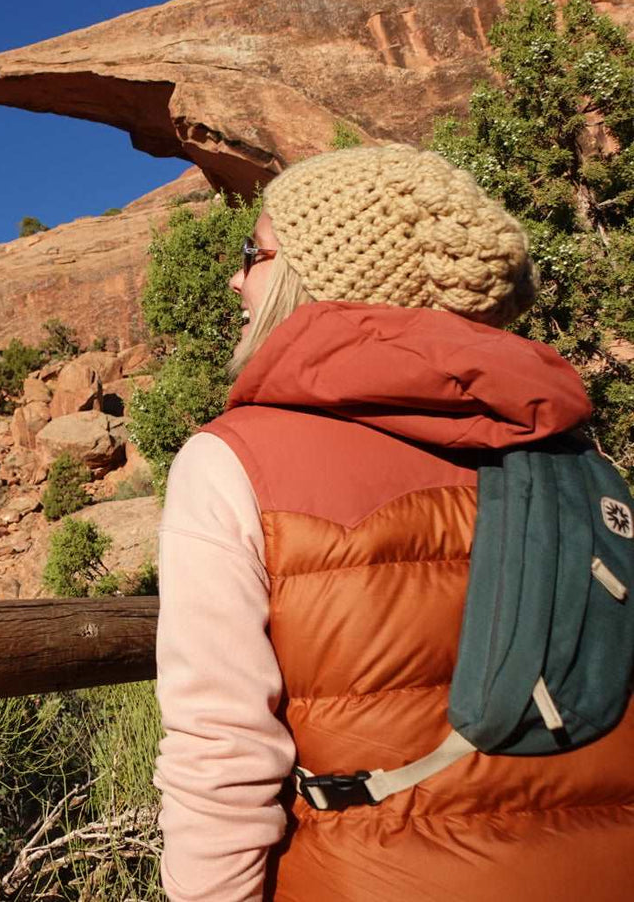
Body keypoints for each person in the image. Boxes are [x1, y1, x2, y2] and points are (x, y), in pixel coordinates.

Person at [150, 145, 634, 901]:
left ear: (319, 280)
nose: (236, 279)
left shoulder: (234, 461)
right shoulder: (575, 456)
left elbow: (221, 757)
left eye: (255, 252)